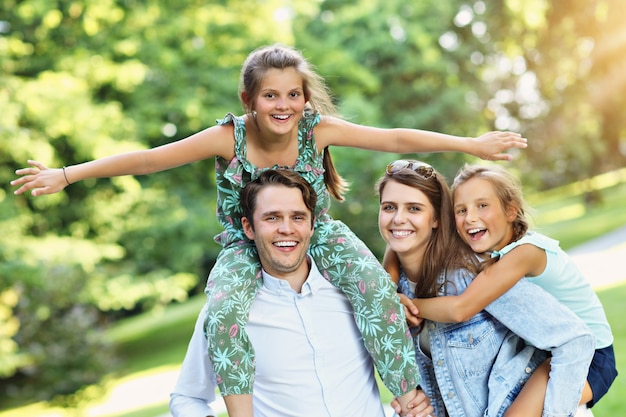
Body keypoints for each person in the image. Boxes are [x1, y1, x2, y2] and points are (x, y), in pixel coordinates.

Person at [11, 43, 527, 416]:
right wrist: (67, 174)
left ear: (306, 98)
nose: (283, 106)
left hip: (316, 231)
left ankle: (405, 393)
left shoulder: (315, 131)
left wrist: (470, 145)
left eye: (294, 95)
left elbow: (392, 137)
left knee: (374, 288)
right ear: (248, 99)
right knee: (225, 310)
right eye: (271, 96)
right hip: (245, 241)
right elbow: (149, 160)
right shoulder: (226, 137)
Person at [169, 169, 434, 417]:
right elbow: (186, 396)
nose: (286, 229)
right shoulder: (226, 313)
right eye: (272, 218)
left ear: (312, 224)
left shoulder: (356, 294)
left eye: (297, 217)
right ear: (249, 227)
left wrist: (415, 400)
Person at [377, 160, 596, 417]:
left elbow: (575, 339)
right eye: (388, 207)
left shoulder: (474, 275)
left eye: (414, 208)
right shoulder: (388, 289)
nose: (398, 218)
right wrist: (413, 403)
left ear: (437, 219)